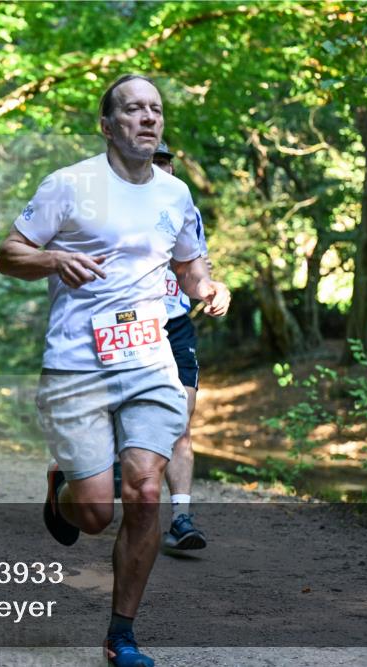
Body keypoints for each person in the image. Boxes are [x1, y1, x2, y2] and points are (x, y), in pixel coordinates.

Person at [0, 74, 230, 667]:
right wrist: (53, 257)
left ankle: (120, 634)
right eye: (133, 109)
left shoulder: (175, 196)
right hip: (78, 362)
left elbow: (191, 267)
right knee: (96, 514)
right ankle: (63, 488)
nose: (148, 118)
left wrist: (210, 287)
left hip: (150, 356)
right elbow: (9, 254)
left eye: (155, 109)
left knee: (145, 491)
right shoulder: (69, 185)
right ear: (107, 125)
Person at [154, 141, 210, 553]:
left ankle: (180, 517)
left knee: (181, 419)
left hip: (176, 325)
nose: (162, 168)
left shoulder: (187, 210)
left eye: (166, 160)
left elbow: (196, 267)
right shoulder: (114, 209)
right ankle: (66, 477)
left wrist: (211, 290)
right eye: (154, 162)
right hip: (126, 327)